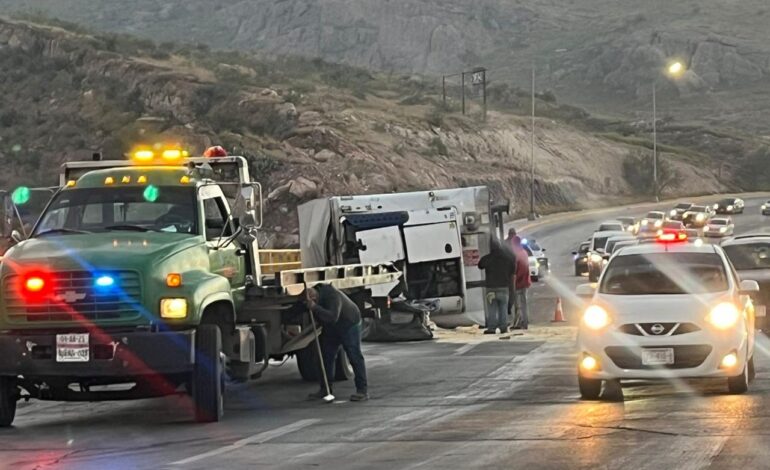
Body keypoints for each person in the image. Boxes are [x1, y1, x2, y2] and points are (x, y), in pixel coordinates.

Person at [305, 284, 369, 402]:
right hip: (331, 328)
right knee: (326, 357)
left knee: (354, 356)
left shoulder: (332, 295)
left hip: (349, 324)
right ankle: (326, 389)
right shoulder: (313, 297)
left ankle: (362, 391)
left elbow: (333, 316)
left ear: (314, 296)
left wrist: (314, 307)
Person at [477, 237, 517, 334]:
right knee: (503, 307)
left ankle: (492, 328)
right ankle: (503, 327)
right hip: (504, 287)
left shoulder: (488, 258)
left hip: (491, 288)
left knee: (492, 308)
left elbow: (480, 265)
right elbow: (513, 269)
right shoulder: (507, 258)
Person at [509, 235, 533, 330]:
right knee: (524, 303)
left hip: (519, 283)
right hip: (525, 282)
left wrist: (515, 280)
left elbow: (518, 270)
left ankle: (520, 322)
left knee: (519, 305)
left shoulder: (518, 255)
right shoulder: (524, 253)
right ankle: (524, 321)